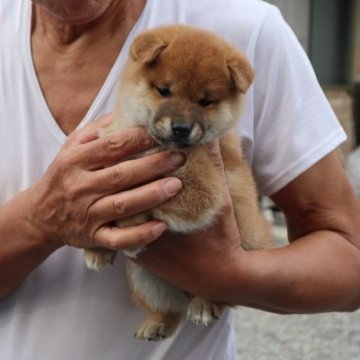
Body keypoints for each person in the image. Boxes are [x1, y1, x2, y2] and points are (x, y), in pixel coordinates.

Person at [1, 0, 360, 359]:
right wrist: (39, 221)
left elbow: (350, 261)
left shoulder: (244, 29)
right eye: (165, 92)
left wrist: (233, 276)